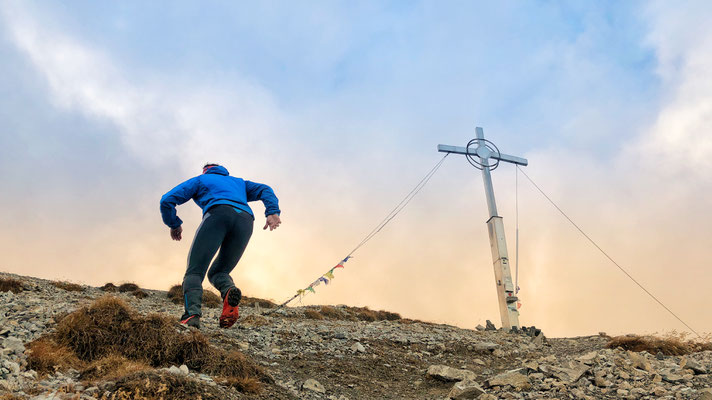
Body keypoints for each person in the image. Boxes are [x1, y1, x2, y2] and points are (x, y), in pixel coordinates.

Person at [160, 163, 281, 329]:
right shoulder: (239, 183)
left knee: (195, 271)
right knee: (219, 271)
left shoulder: (201, 180)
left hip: (218, 214)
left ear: (205, 171)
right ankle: (229, 290)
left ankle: (192, 316)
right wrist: (272, 211)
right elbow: (265, 189)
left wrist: (174, 224)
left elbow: (167, 200)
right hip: (245, 221)